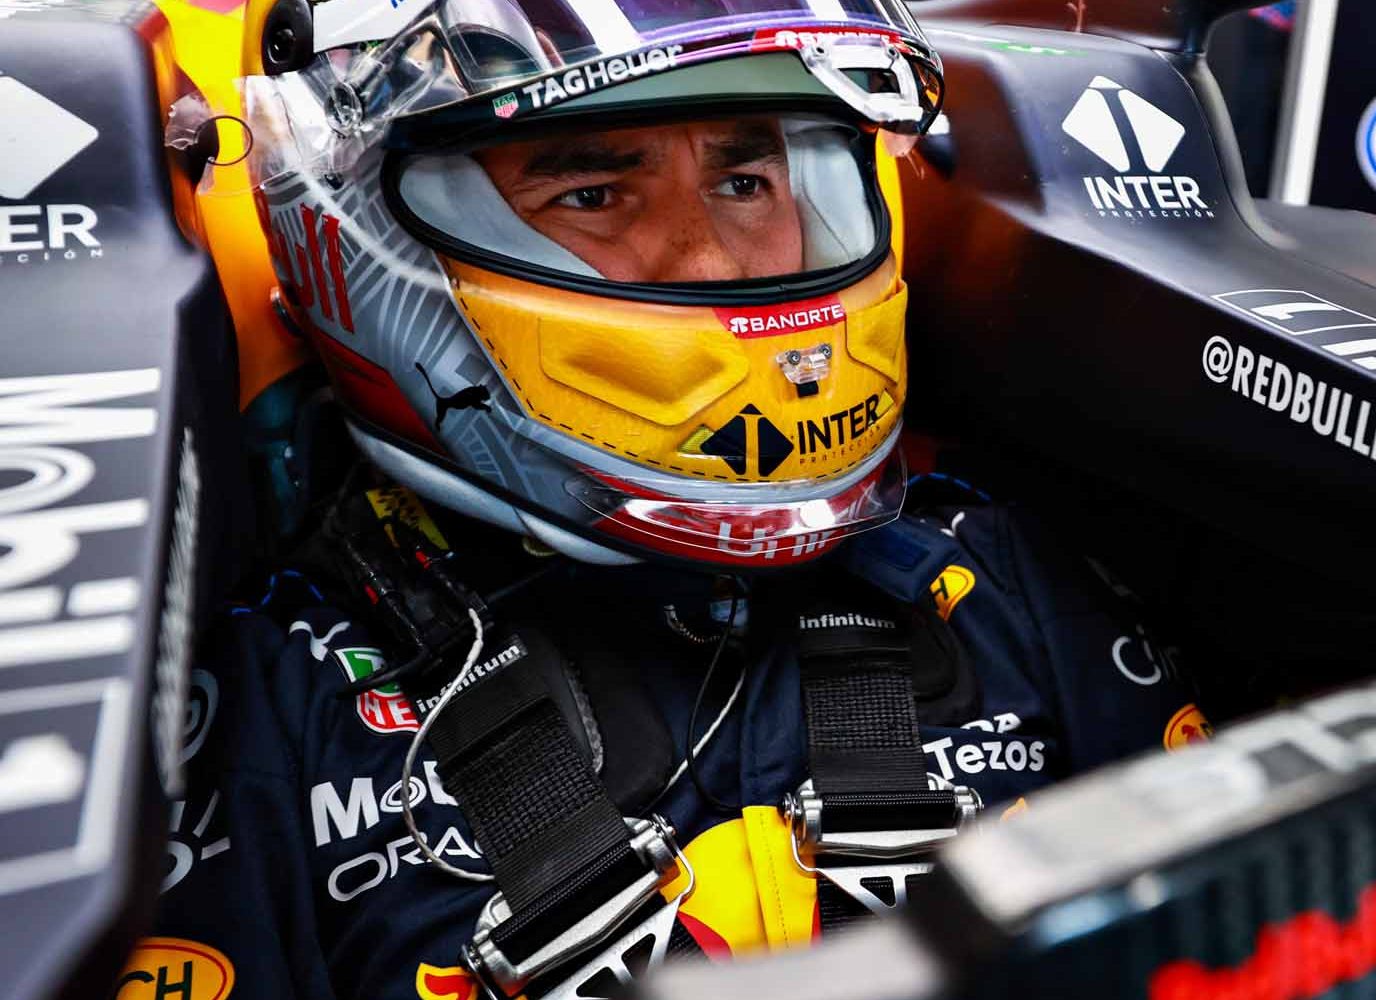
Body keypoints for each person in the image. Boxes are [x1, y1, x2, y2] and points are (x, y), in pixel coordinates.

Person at [137, 2, 1204, 998]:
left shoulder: (994, 578)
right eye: (594, 195)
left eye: (747, 183)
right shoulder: (270, 710)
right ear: (367, 239)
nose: (714, 261)